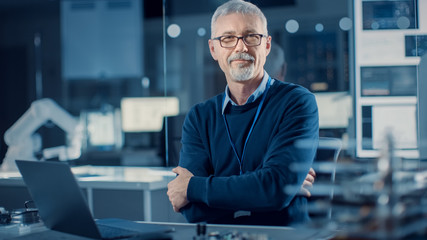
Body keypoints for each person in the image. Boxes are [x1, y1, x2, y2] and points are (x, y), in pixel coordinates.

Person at [167, 0, 318, 226]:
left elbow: (275, 189)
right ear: (213, 49)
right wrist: (262, 187)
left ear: (266, 46)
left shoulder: (297, 102)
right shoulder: (199, 117)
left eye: (251, 36)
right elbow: (193, 211)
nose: (240, 47)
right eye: (227, 38)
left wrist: (193, 187)